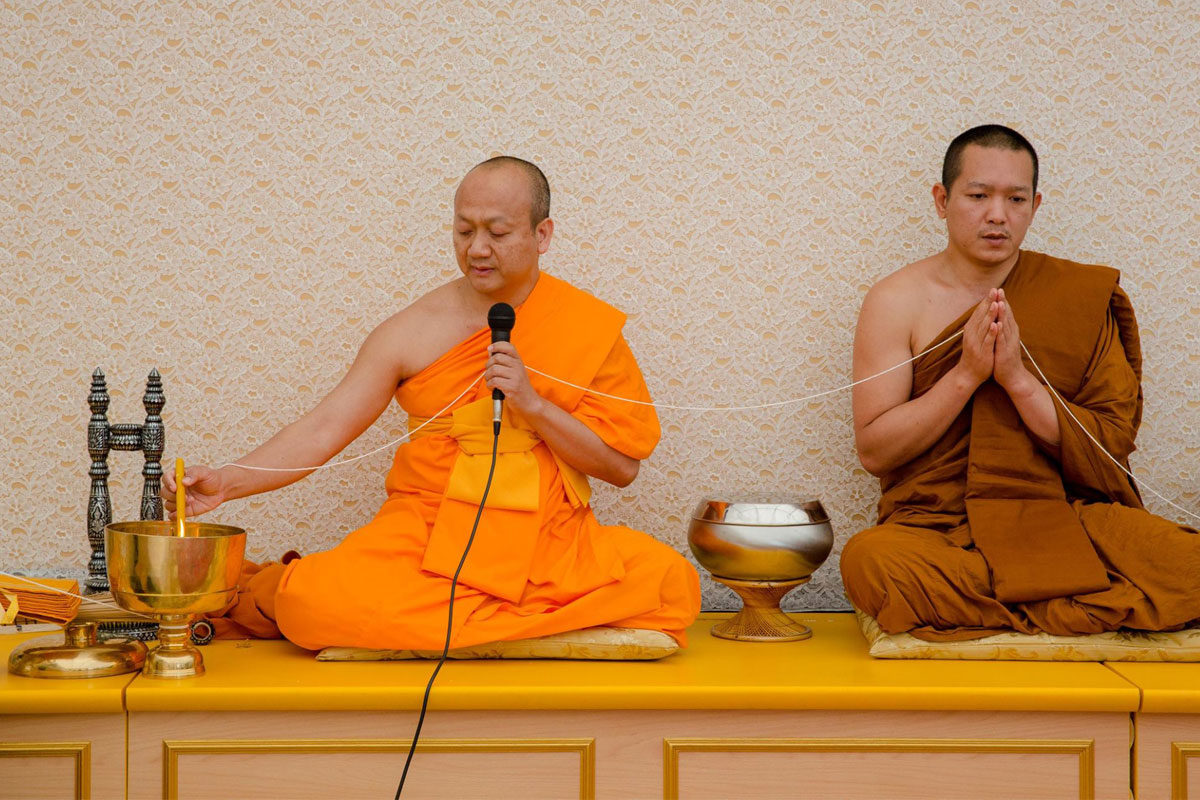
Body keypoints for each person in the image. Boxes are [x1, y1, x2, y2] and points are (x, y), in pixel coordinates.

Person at [164, 156, 700, 650]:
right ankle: (521, 625)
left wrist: (534, 407)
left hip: (550, 544)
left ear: (542, 235)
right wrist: (228, 482)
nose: (477, 249)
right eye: (464, 231)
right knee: (310, 603)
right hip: (428, 536)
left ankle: (472, 623)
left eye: (498, 232)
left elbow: (621, 468)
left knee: (671, 583)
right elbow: (325, 428)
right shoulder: (411, 331)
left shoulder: (586, 326)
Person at [840, 125, 1200, 641]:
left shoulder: (1077, 294)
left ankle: (1023, 599)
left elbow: (1109, 446)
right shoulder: (895, 300)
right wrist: (965, 375)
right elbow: (876, 450)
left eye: (1015, 199)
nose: (997, 215)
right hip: (943, 528)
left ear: (1035, 205)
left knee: (1191, 565)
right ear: (942, 201)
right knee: (870, 562)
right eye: (978, 196)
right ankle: (1076, 599)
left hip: (1064, 516)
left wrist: (1018, 381)